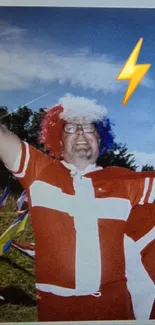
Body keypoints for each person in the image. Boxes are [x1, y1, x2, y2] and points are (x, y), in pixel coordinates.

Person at [0, 100, 154, 321]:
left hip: (115, 309)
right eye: (71, 127)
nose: (81, 132)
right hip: (56, 310)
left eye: (89, 127)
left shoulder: (126, 180)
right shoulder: (38, 170)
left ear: (100, 137)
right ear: (58, 140)